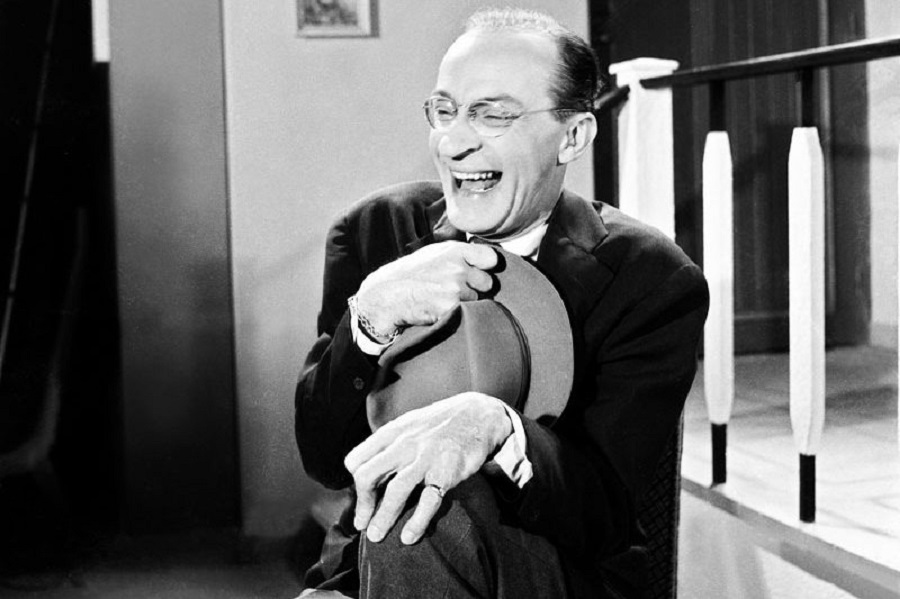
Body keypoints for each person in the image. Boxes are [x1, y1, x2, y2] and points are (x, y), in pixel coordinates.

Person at [295, 8, 709, 599]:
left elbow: (605, 510)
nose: (455, 142)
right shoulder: (374, 231)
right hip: (368, 563)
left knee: (433, 503)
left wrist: (498, 429)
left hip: (554, 571)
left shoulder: (652, 279)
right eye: (445, 111)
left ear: (573, 136)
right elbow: (325, 457)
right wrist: (367, 320)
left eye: (493, 115)